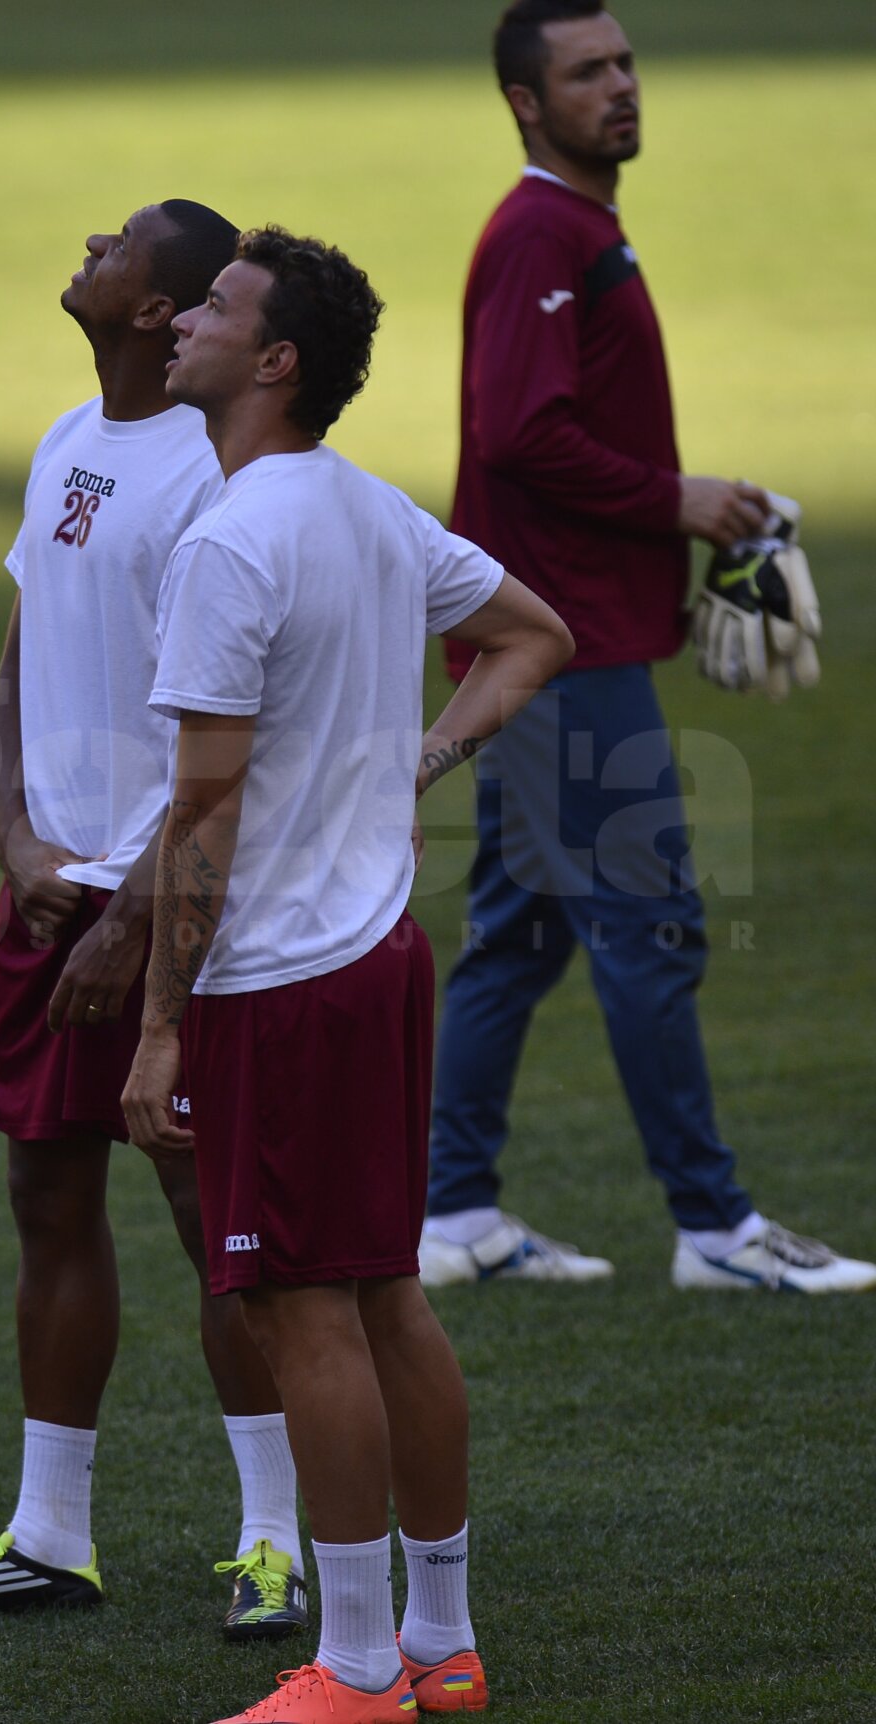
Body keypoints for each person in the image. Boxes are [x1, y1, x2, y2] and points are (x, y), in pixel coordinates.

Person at [123, 226, 574, 1722]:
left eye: (218, 307)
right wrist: (413, 767)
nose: (181, 317)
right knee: (388, 1301)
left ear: (275, 362)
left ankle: (358, 1665)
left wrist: (158, 1033)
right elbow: (534, 636)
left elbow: (202, 811)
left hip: (281, 978)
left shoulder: (230, 540)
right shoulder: (374, 513)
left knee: (305, 1311)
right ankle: (443, 1647)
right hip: (382, 956)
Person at [0, 200, 309, 1640]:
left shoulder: (208, 475)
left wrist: (134, 906)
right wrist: (9, 833)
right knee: (47, 1196)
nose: (90, 243)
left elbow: (230, 729)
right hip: (48, 894)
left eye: (117, 241)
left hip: (169, 904)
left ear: (154, 308)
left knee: (213, 1218)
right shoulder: (68, 438)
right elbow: (15, 665)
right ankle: (50, 1537)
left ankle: (275, 1544)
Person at [419, 0, 876, 1295]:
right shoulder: (538, 236)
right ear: (524, 99)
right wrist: (677, 499)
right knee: (651, 928)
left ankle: (454, 1215)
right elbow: (520, 433)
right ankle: (717, 1231)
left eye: (625, 64)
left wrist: (680, 527)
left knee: (522, 936)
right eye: (586, 73)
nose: (620, 87)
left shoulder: (579, 225)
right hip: (556, 649)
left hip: (569, 631)